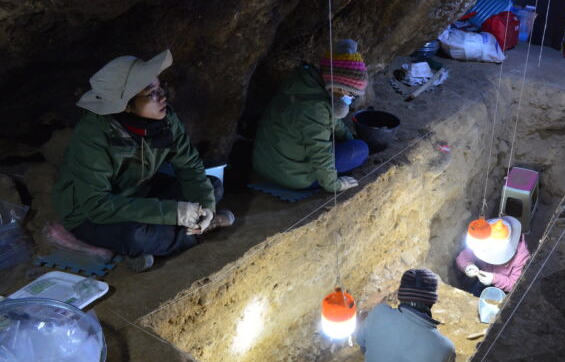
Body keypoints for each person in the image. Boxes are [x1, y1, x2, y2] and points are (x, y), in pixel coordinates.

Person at [52, 50, 235, 272]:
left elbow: (189, 166)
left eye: (160, 89)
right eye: (152, 93)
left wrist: (205, 206)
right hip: (90, 212)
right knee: (135, 236)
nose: (163, 97)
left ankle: (177, 235)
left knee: (212, 186)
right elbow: (97, 205)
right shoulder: (93, 135)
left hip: (140, 190)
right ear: (125, 104)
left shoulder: (165, 119)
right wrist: (174, 212)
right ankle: (198, 232)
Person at [251, 39, 370, 194]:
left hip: (266, 162)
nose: (352, 98)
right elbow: (320, 152)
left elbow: (332, 119)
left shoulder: (307, 83)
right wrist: (335, 185)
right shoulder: (315, 109)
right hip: (289, 175)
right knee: (360, 150)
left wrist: (348, 138)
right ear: (339, 88)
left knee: (352, 144)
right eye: (352, 94)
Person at [456, 216, 529, 295]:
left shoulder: (521, 258)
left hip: (504, 288)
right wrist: (468, 266)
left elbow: (514, 285)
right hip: (482, 279)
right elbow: (463, 258)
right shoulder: (481, 242)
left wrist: (494, 279)